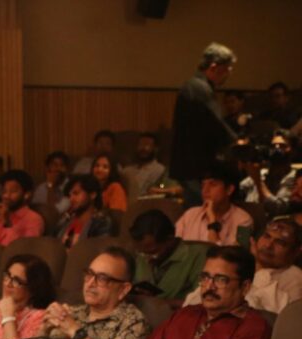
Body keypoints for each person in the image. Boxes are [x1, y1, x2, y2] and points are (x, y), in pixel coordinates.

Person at [140, 246, 272, 339]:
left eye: (221, 280)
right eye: (205, 277)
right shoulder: (185, 313)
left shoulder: (252, 327)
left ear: (245, 287)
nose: (209, 287)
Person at [44, 247, 150, 339]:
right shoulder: (72, 311)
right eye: (89, 274)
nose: (90, 284)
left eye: (102, 278)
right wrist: (43, 328)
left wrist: (75, 331)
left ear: (123, 289)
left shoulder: (132, 320)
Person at [182, 219, 302, 314]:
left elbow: (278, 319)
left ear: (296, 251)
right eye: (266, 236)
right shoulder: (236, 264)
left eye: (280, 242)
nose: (268, 245)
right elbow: (191, 303)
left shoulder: (296, 278)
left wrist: (259, 268)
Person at [170, 43, 238, 206]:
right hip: (195, 166)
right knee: (204, 212)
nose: (229, 73)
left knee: (198, 212)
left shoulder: (194, 86)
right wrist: (238, 142)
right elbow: (216, 124)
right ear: (214, 67)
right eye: (227, 69)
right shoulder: (199, 88)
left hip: (190, 166)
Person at [0, 254, 54, 339]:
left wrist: (8, 317)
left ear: (32, 289)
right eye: (7, 276)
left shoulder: (39, 318)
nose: (7, 284)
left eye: (16, 281)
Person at [130, 209, 210, 301]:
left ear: (170, 240)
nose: (147, 259)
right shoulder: (143, 255)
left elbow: (203, 301)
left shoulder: (198, 255)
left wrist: (157, 302)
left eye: (152, 252)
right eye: (141, 253)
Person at [176, 164, 252, 247]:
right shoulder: (190, 215)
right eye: (203, 185)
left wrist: (212, 223)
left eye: (213, 184)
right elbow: (175, 248)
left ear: (229, 190)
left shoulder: (243, 220)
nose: (205, 190)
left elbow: (234, 255)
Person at [239, 130, 298, 217]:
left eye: (282, 146)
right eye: (273, 146)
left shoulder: (294, 178)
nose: (277, 149)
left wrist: (258, 180)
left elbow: (277, 207)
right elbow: (240, 189)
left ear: (293, 151)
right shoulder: (263, 172)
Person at [53, 175, 114, 248]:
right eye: (70, 195)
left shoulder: (102, 223)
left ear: (92, 195)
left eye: (76, 193)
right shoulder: (65, 221)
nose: (71, 199)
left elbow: (100, 250)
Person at [122, 132, 167, 199]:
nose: (143, 148)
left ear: (155, 148)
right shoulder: (127, 170)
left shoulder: (160, 170)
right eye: (140, 144)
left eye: (147, 145)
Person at [31, 150, 70, 215]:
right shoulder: (41, 188)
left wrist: (51, 185)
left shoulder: (71, 187)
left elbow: (52, 212)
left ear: (67, 169)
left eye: (62, 165)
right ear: (47, 168)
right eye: (55, 165)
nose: (58, 168)